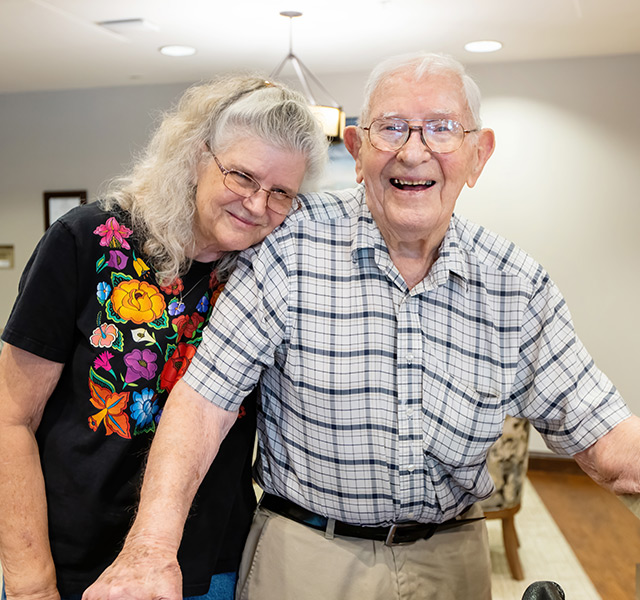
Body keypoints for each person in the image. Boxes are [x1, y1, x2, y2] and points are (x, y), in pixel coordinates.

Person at [84, 52, 640, 600]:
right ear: (357, 149)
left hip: (452, 560)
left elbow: (602, 431)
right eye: (391, 128)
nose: (413, 151)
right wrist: (150, 551)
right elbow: (205, 402)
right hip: (306, 556)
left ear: (478, 154)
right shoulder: (288, 245)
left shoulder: (515, 284)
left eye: (442, 129)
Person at [0, 74, 329, 600]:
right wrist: (29, 579)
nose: (257, 204)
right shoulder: (86, 241)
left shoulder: (268, 268)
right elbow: (10, 418)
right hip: (69, 562)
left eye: (281, 192)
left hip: (209, 567)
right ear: (199, 157)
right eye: (242, 176)